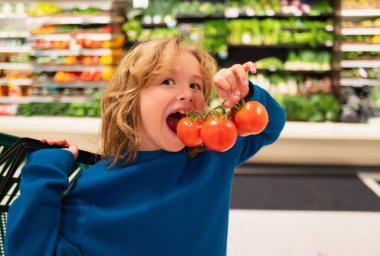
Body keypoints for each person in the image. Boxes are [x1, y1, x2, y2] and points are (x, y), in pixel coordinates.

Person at [5, 37, 286, 256]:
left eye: (197, 86)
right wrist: (49, 167)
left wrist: (245, 95)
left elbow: (269, 125)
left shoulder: (213, 154)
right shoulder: (92, 192)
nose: (187, 94)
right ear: (130, 100)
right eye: (168, 81)